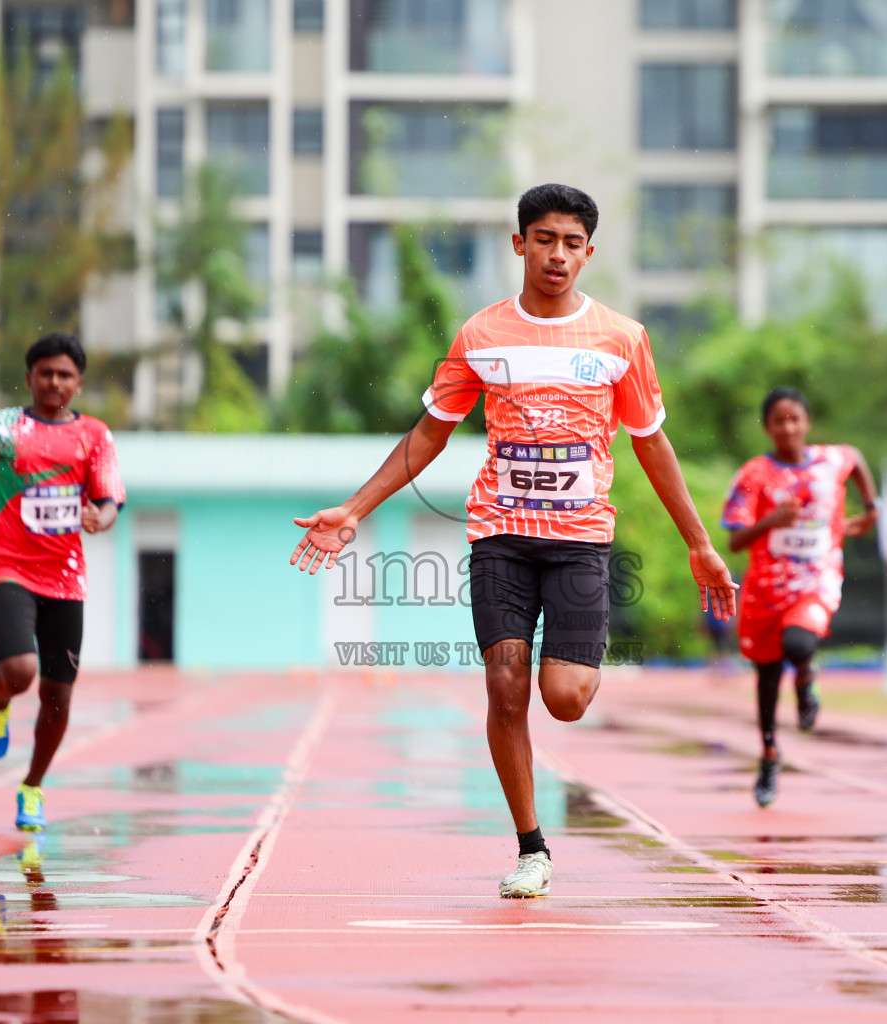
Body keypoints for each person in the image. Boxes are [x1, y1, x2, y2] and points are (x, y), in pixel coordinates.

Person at [290, 184, 737, 898]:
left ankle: (572, 675)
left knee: (563, 697)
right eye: (543, 239)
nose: (556, 254)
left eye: (570, 243)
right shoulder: (482, 335)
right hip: (499, 534)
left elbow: (653, 446)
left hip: (581, 541)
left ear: (589, 253)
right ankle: (533, 847)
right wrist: (355, 509)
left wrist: (699, 542)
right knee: (504, 687)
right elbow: (431, 432)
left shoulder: (621, 339)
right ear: (519, 243)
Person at [0, 333, 125, 831]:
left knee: (58, 696)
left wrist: (99, 520)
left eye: (65, 374)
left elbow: (109, 502)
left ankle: (33, 785)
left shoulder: (96, 436)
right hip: (10, 567)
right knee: (20, 671)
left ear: (78, 383)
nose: (55, 382)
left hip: (66, 579)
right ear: (29, 378)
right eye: (46, 373)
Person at [722, 388, 876, 808]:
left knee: (798, 643)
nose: (788, 427)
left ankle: (806, 678)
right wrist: (772, 520)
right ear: (767, 427)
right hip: (765, 590)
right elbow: (735, 541)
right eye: (778, 420)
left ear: (806, 423)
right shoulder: (754, 475)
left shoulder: (830, 461)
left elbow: (857, 459)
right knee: (767, 677)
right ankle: (770, 751)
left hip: (815, 579)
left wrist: (872, 507)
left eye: (795, 419)